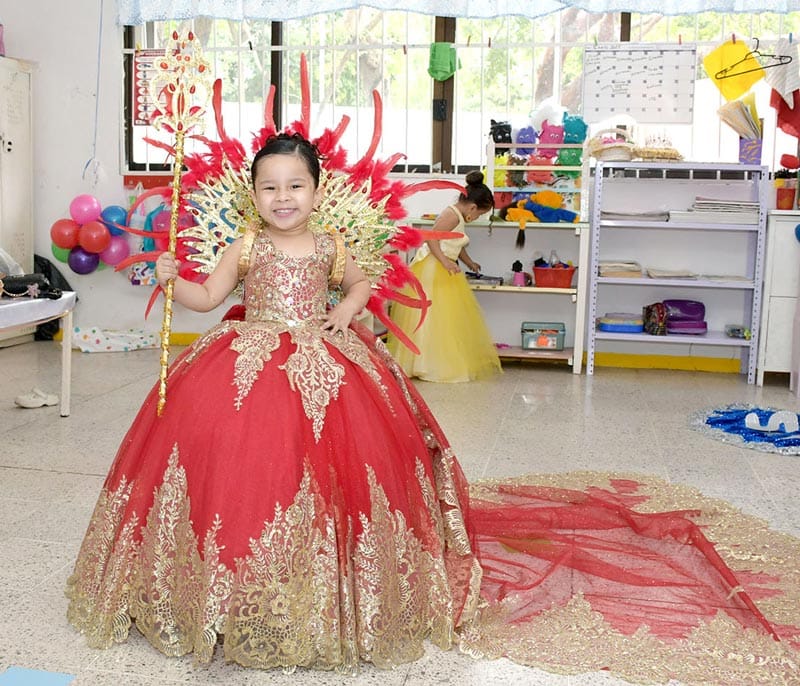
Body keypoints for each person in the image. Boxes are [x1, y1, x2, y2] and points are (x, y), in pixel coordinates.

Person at [65, 133, 800, 682]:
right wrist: (171, 276)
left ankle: (333, 586)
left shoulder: (331, 243)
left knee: (339, 476)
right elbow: (204, 299)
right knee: (243, 473)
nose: (282, 197)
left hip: (327, 364)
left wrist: (343, 313)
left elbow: (361, 285)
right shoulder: (247, 245)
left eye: (295, 185)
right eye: (269, 187)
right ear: (251, 195)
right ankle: (230, 587)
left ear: (318, 190)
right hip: (247, 363)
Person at [387, 171, 502, 382]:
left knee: (442, 316)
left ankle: (432, 361)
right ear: (472, 207)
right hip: (434, 267)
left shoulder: (458, 216)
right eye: (479, 214)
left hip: (444, 266)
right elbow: (431, 239)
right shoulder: (451, 215)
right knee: (432, 315)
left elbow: (455, 243)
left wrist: (468, 262)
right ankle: (424, 363)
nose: (477, 218)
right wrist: (445, 261)